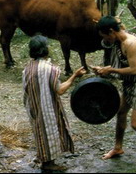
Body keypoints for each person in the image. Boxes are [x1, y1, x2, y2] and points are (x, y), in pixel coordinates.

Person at [92, 16, 136, 169]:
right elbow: (115, 21)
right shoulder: (118, 32)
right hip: (131, 82)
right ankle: (118, 147)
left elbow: (133, 70)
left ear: (111, 32)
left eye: (105, 37)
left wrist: (110, 69)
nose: (106, 41)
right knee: (121, 113)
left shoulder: (130, 43)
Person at [23, 35, 86, 171]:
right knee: (49, 131)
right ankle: (48, 164)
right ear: (45, 50)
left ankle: (44, 159)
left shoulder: (27, 68)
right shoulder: (50, 69)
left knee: (40, 132)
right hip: (47, 107)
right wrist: (74, 76)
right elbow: (60, 90)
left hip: (34, 106)